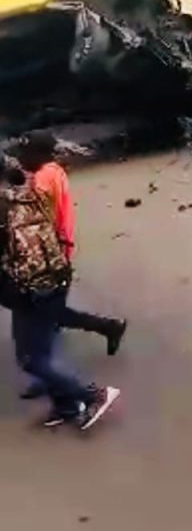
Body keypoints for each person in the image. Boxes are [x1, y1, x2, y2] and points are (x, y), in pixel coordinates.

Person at [0, 155, 119, 429]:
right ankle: (66, 407)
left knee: (32, 359)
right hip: (54, 276)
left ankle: (94, 395)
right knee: (39, 346)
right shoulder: (27, 191)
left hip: (31, 289)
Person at [13, 131, 127, 366]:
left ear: (40, 155)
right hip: (60, 244)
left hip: (49, 251)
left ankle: (107, 328)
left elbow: (28, 212)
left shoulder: (42, 179)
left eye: (26, 154)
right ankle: (47, 363)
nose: (21, 159)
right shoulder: (54, 170)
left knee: (47, 310)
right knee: (47, 311)